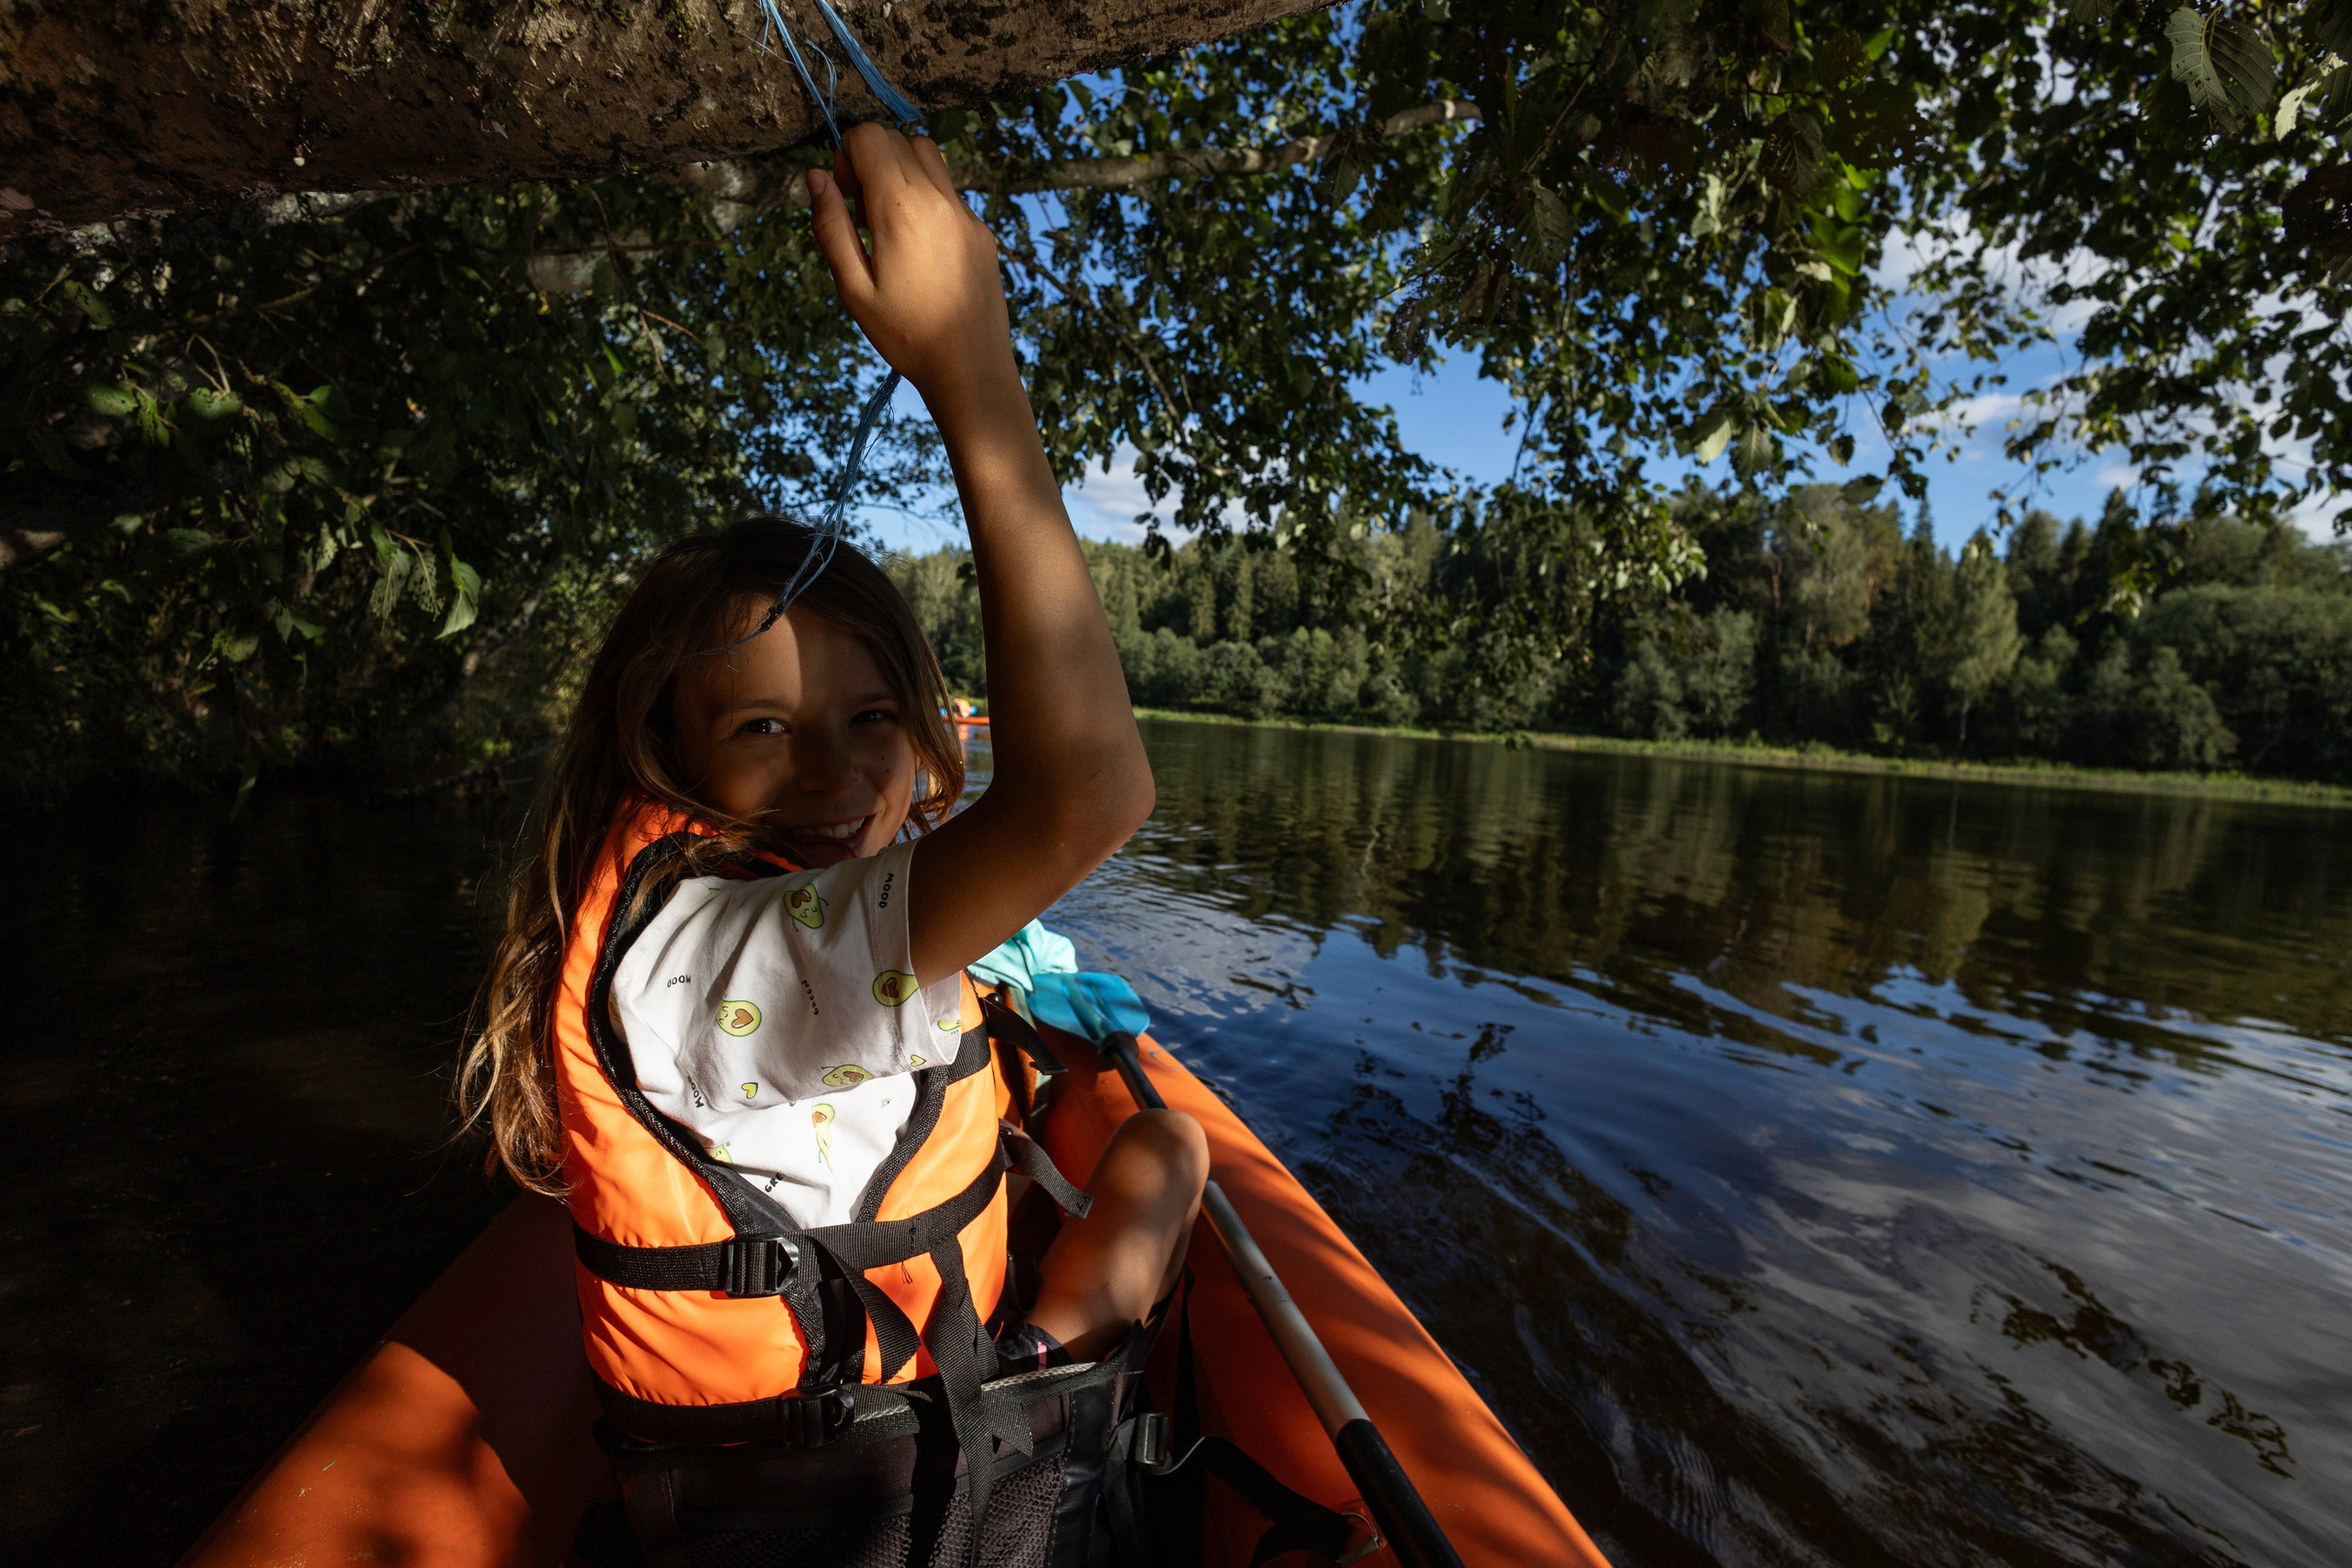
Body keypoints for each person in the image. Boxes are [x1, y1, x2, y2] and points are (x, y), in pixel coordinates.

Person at [457, 124, 1207, 1536]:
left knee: (1171, 1152)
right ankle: (1052, 1373)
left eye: (871, 719)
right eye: (760, 730)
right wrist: (968, 362)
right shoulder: (711, 961)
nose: (837, 774)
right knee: (1160, 1168)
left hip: (938, 1373)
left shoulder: (793, 914)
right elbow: (1092, 797)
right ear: (659, 753)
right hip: (842, 1493)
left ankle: (1040, 1351)